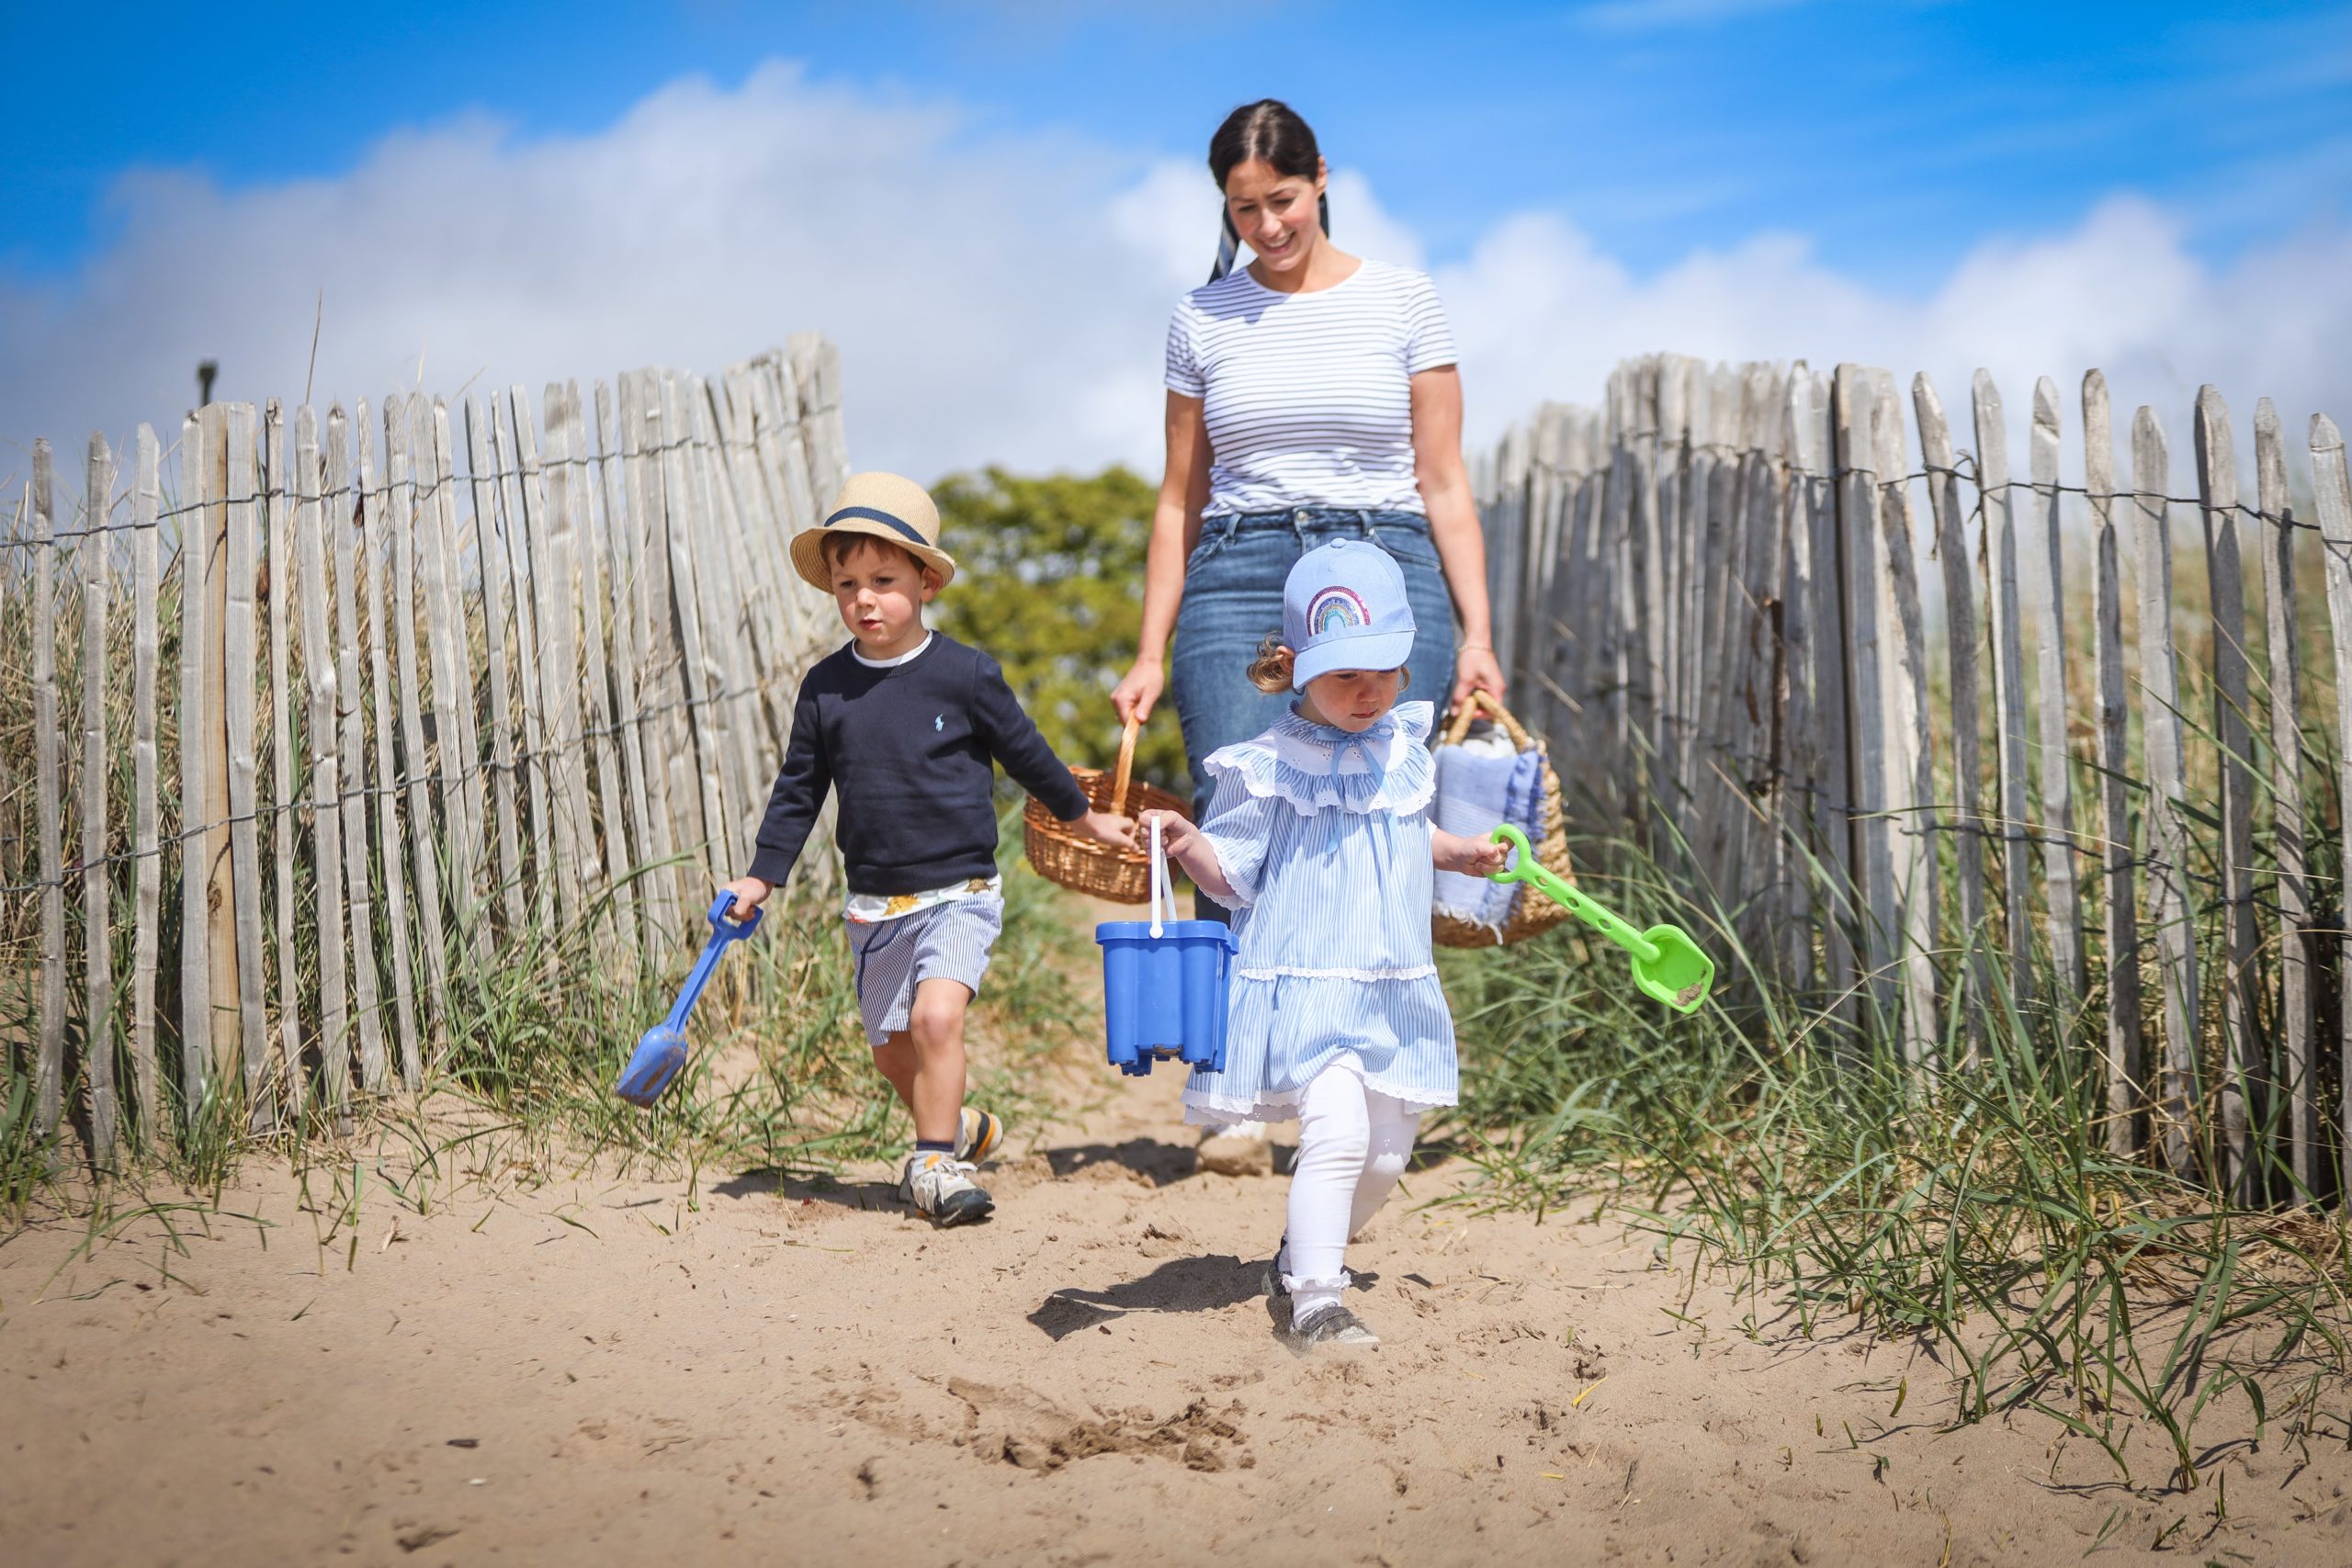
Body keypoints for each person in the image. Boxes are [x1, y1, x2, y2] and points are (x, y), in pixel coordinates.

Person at [1112, 97, 1504, 1178]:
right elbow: (1176, 499)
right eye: (1242, 210)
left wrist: (1477, 630)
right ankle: (1236, 1097)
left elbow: (1443, 480)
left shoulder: (1404, 301)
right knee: (1239, 806)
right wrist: (1149, 649)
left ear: (1320, 177)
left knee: (1380, 814)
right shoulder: (1202, 317)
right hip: (1238, 571)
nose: (1265, 227)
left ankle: (1373, 1076)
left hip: (1384, 565)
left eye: (1279, 201)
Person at [719, 472, 1135, 1227]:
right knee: (892, 1053)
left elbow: (1028, 754)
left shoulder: (965, 674)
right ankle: (964, 1123)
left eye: (883, 580)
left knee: (938, 1019)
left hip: (960, 890)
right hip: (874, 903)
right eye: (847, 584)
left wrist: (1085, 818)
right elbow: (798, 791)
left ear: (926, 581)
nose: (864, 599)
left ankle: (937, 1162)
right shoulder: (825, 690)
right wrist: (760, 877)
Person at [1141, 539, 1507, 1347]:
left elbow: (1414, 834)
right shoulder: (1267, 764)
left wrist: (1462, 853)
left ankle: (1298, 1255)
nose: (1368, 689)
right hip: (1308, 984)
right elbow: (1233, 873)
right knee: (1335, 1133)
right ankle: (1316, 1299)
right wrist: (1185, 838)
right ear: (1295, 666)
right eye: (1345, 672)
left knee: (1383, 1159)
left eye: (1383, 667)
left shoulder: (1405, 749)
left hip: (1393, 983)